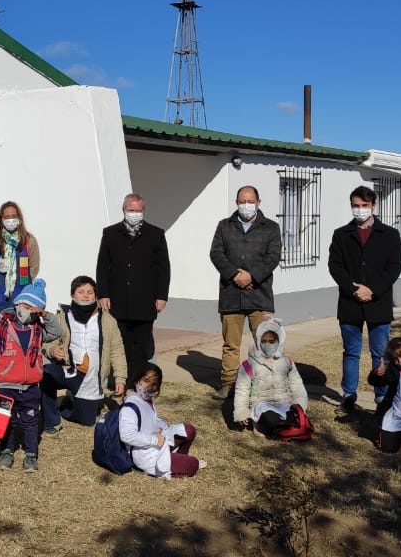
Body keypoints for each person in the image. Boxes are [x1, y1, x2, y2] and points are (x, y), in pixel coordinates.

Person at [327, 185, 401, 413]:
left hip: (378, 304)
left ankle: (381, 397)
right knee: (351, 352)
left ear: (373, 206)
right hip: (350, 304)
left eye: (364, 206)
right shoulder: (341, 234)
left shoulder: (389, 234)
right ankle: (349, 396)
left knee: (380, 353)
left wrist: (373, 290)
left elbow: (394, 267)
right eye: (355, 206)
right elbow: (335, 266)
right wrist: (354, 290)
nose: (359, 210)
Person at [209, 185, 282, 400]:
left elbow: (273, 257)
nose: (246, 205)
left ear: (258, 202)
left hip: (260, 296)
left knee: (265, 343)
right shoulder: (224, 226)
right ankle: (229, 383)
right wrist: (234, 275)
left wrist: (252, 276)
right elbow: (216, 253)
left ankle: (263, 384)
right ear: (236, 203)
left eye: (250, 201)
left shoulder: (271, 227)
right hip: (231, 295)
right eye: (242, 201)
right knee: (231, 344)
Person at [0, 280, 62, 473]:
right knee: (6, 419)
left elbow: (57, 331)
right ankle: (6, 451)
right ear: (17, 304)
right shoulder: (2, 326)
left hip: (31, 386)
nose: (26, 311)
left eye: (32, 309)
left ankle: (31, 455)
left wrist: (44, 315)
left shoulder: (38, 329)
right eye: (25, 306)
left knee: (31, 421)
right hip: (6, 384)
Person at [96, 193, 171, 382]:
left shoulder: (156, 234)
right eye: (131, 210)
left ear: (143, 211)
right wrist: (103, 293)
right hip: (118, 300)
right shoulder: (110, 233)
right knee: (121, 343)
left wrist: (162, 296)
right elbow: (103, 265)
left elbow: (163, 268)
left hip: (145, 301)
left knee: (142, 345)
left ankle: (138, 380)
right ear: (124, 210)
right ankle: (122, 379)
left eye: (138, 210)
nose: (134, 214)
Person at [40, 276, 127, 435]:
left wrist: (120, 378)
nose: (86, 295)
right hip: (68, 369)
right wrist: (53, 351)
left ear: (96, 295)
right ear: (73, 295)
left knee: (87, 421)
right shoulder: (62, 316)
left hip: (92, 377)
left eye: (90, 292)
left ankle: (67, 405)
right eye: (81, 292)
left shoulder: (108, 320)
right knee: (46, 373)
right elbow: (47, 341)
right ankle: (51, 421)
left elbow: (117, 350)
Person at [118, 362, 205, 479]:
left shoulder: (147, 400)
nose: (150, 386)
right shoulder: (130, 405)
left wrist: (163, 429)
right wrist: (154, 440)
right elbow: (126, 435)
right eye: (146, 380)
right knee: (193, 464)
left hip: (159, 441)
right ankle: (179, 463)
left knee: (188, 430)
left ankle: (178, 458)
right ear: (137, 380)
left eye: (154, 383)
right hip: (144, 454)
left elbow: (152, 421)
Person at [232, 318, 309, 439]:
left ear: (279, 341)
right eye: (263, 341)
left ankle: (281, 427)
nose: (267, 344)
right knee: (269, 418)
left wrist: (300, 407)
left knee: (294, 418)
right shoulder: (248, 365)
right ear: (258, 341)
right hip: (261, 406)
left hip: (284, 404)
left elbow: (297, 386)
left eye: (272, 341)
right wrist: (242, 412)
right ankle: (263, 425)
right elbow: (242, 390)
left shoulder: (287, 362)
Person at [0, 201, 41, 323]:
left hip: (22, 297)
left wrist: (21, 279)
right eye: (7, 217)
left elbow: (34, 267)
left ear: (19, 218)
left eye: (13, 216)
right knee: (0, 335)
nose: (11, 220)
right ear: (1, 219)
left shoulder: (29, 240)